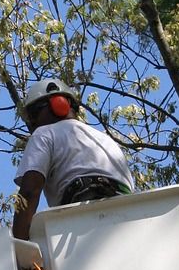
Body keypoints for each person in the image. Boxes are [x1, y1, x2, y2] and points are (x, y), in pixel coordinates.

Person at [12, 77, 134, 239]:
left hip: (79, 222)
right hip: (128, 219)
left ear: (58, 104)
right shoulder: (105, 139)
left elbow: (29, 191)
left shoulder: (44, 134)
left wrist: (18, 246)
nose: (32, 124)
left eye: (34, 114)